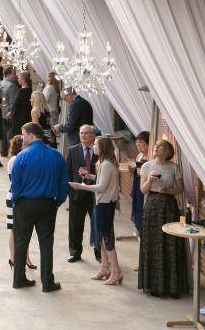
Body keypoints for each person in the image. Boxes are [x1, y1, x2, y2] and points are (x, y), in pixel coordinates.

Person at [9, 122, 68, 292]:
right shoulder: (56, 156)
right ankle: (47, 282)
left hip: (25, 204)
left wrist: (17, 201)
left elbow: (16, 183)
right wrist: (57, 202)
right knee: (46, 243)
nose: (23, 138)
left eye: (24, 134)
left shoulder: (22, 156)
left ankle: (18, 278)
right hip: (47, 204)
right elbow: (64, 183)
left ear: (31, 135)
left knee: (21, 241)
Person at [138, 139, 189, 298]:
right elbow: (143, 190)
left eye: (159, 146)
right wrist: (150, 180)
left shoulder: (174, 167)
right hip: (152, 206)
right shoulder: (146, 166)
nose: (156, 147)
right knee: (153, 242)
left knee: (170, 242)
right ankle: (154, 285)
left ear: (166, 151)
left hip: (169, 206)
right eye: (156, 145)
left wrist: (168, 190)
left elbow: (180, 188)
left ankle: (172, 286)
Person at [70, 136, 123, 285]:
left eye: (96, 145)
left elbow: (101, 187)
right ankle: (105, 267)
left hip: (104, 204)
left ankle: (116, 271)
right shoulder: (105, 163)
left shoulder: (106, 164)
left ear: (103, 147)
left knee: (106, 239)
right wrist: (89, 176)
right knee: (100, 238)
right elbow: (101, 181)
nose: (93, 147)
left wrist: (81, 186)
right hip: (102, 203)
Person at [65, 124, 99, 263]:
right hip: (77, 195)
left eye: (86, 133)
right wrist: (70, 192)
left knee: (97, 225)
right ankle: (75, 252)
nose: (83, 135)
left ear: (93, 136)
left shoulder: (99, 151)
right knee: (75, 226)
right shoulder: (73, 150)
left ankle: (99, 253)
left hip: (95, 195)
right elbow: (67, 173)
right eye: (81, 133)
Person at [6, 135, 37, 270]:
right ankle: (13, 257)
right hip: (14, 196)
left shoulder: (20, 158)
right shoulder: (15, 159)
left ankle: (25, 257)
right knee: (15, 230)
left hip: (20, 196)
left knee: (24, 230)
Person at [130, 131, 150, 234]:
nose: (138, 144)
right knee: (138, 210)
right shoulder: (139, 156)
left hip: (146, 188)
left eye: (141, 142)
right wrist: (132, 169)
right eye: (137, 142)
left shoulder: (152, 158)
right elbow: (137, 170)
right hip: (138, 186)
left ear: (148, 143)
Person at [8, 71, 33, 144]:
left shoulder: (21, 91)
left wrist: (11, 113)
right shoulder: (30, 90)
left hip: (19, 117)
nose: (18, 80)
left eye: (19, 78)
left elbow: (15, 104)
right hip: (27, 115)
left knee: (17, 135)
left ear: (24, 80)